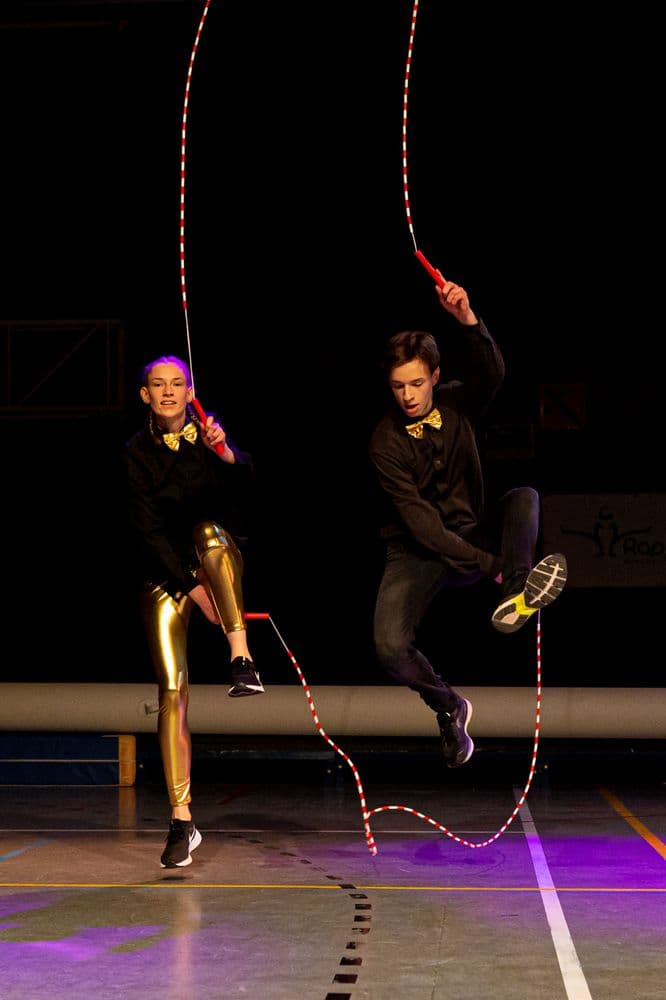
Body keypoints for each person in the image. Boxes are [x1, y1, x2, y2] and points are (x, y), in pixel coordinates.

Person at [368, 278, 567, 768]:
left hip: (473, 529)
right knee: (389, 646)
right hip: (417, 551)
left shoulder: (459, 403)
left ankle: (518, 592)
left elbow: (494, 372)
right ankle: (449, 707)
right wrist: (489, 564)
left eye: (417, 384)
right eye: (398, 387)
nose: (408, 396)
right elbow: (424, 527)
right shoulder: (384, 442)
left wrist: (467, 319)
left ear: (435, 376)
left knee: (524, 498)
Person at [123, 354, 263, 869]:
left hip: (216, 558)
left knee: (208, 532)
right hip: (166, 576)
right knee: (171, 692)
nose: (167, 392)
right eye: (157, 385)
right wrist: (191, 590)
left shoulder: (207, 439)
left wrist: (225, 454)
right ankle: (181, 820)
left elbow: (249, 489)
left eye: (176, 384)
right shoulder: (134, 453)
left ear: (189, 392)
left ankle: (241, 657)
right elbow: (147, 533)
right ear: (145, 396)